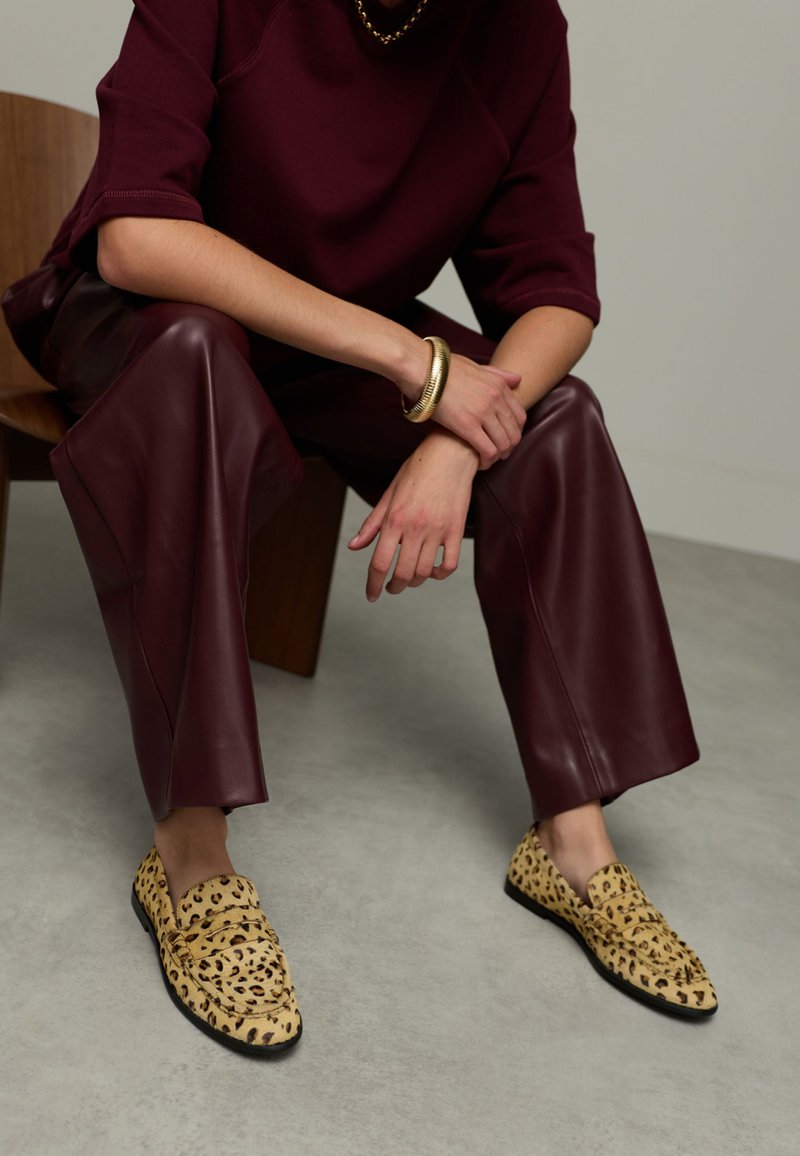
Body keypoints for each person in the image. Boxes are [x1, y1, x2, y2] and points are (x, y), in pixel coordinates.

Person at [2, 0, 717, 1056]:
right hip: (141, 324)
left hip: (324, 345)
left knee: (558, 420)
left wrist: (456, 439)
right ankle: (189, 852)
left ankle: (572, 847)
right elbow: (138, 234)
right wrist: (417, 368)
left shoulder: (514, 29)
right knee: (199, 353)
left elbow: (557, 290)